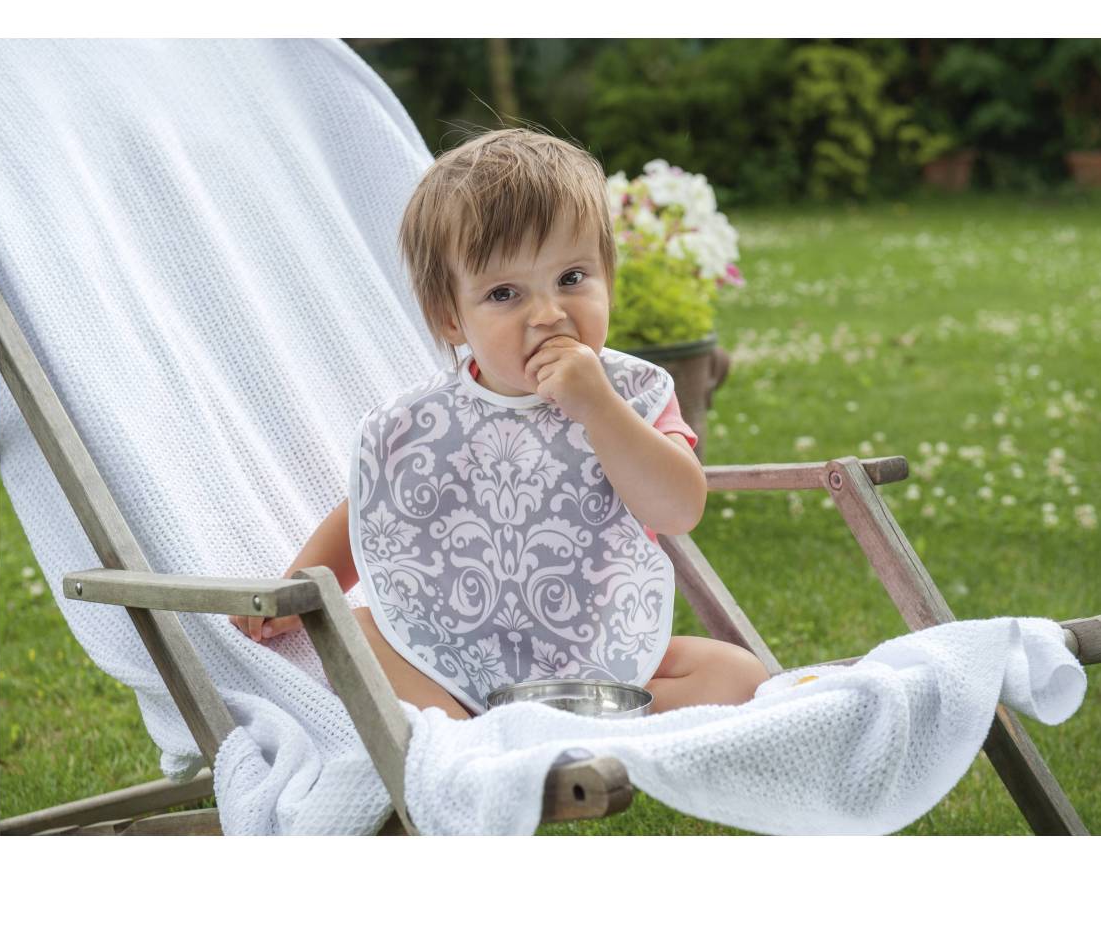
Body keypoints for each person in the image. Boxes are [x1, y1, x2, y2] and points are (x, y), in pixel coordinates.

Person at [230, 128, 769, 719]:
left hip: (596, 651)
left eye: (571, 278)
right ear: (451, 317)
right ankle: (471, 734)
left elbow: (678, 510)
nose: (549, 314)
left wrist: (600, 409)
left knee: (737, 673)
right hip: (451, 650)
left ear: (607, 278)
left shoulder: (631, 394)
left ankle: (519, 735)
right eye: (505, 293)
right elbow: (374, 514)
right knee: (354, 632)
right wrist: (298, 586)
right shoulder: (423, 423)